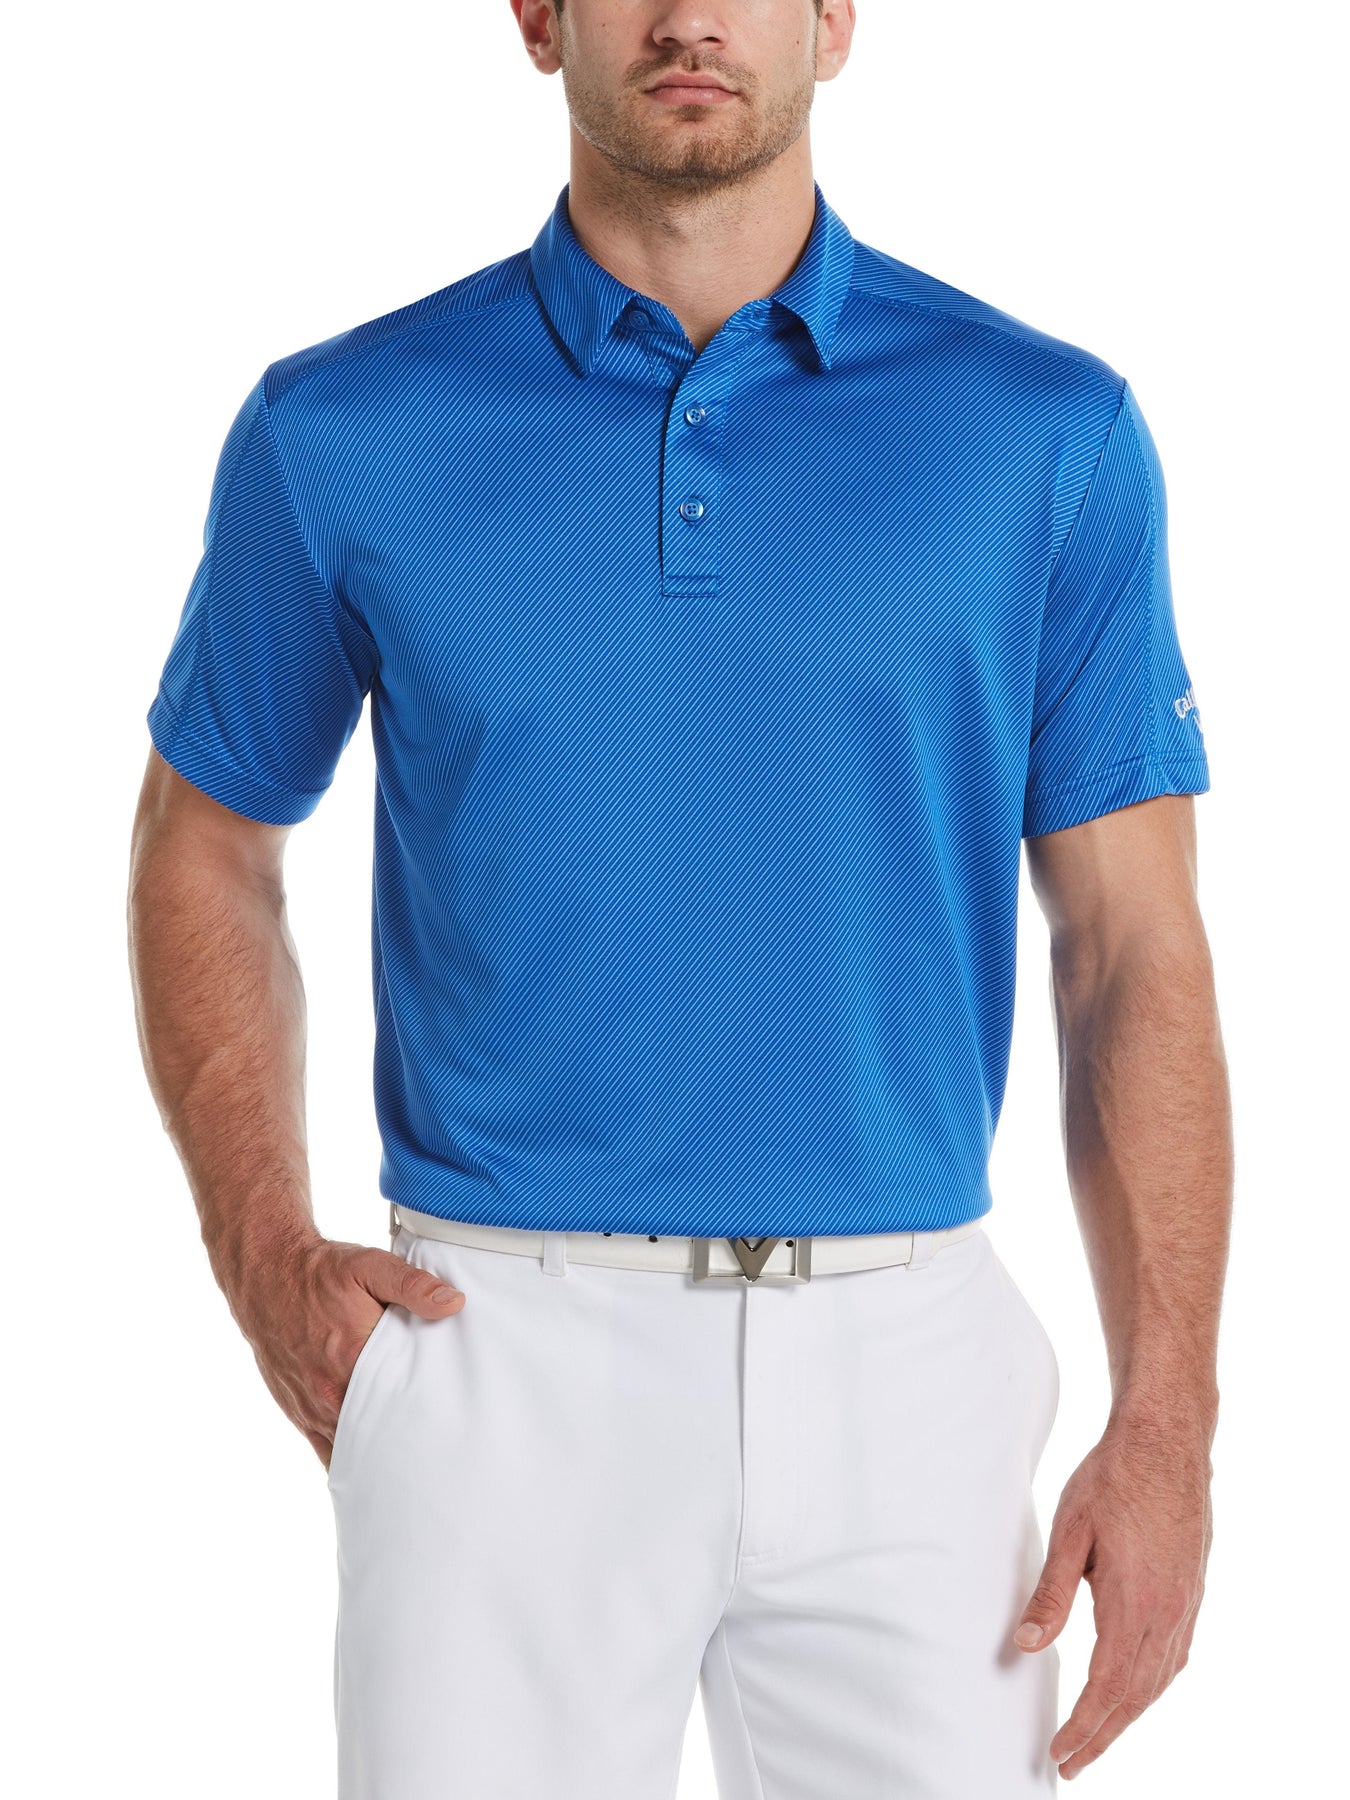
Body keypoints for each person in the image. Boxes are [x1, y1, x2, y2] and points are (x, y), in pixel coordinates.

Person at [126, 2, 1232, 1794]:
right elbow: (204, 842)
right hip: (499, 1355)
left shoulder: (1045, 436)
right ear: (537, 16)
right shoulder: (339, 430)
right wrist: (263, 1252)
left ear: (834, 20)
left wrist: (1166, 1420)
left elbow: (1132, 950)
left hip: (910, 1368)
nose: (691, 17)